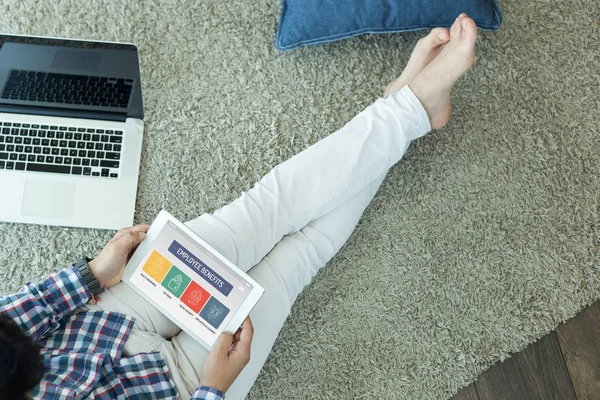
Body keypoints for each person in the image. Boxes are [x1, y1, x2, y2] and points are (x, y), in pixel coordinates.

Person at [0, 14, 477, 400]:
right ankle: (408, 108)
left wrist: (89, 276)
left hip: (109, 319)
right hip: (183, 385)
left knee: (268, 209)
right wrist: (213, 391)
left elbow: (13, 321)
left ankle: (408, 107)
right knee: (300, 256)